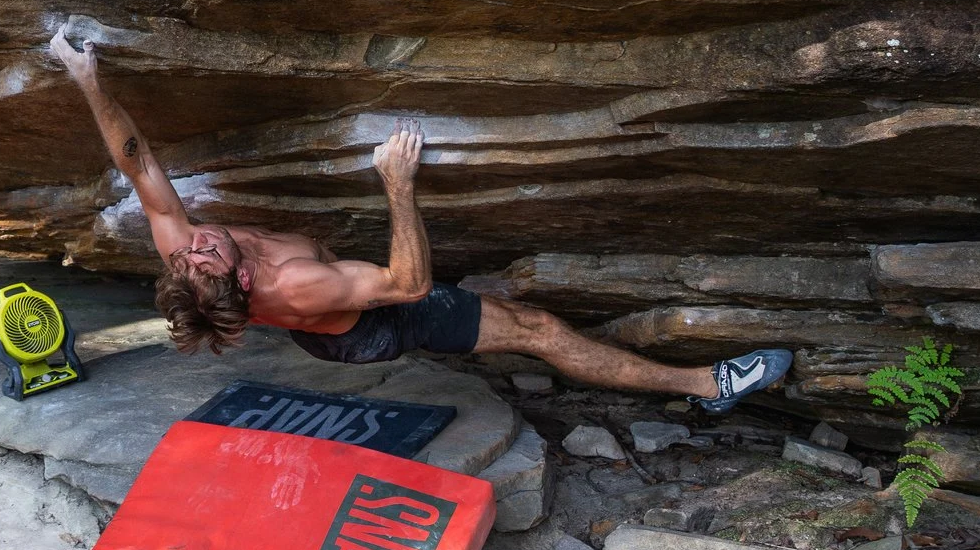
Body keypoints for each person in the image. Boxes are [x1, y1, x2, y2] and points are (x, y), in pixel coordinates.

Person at [47, 29, 792, 412]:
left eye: (192, 250)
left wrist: (87, 80)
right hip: (373, 326)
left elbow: (137, 162)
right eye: (208, 253)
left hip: (346, 304)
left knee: (497, 310)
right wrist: (397, 183)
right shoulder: (302, 284)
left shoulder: (184, 251)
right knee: (536, 329)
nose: (200, 238)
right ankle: (704, 384)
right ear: (244, 277)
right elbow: (406, 284)